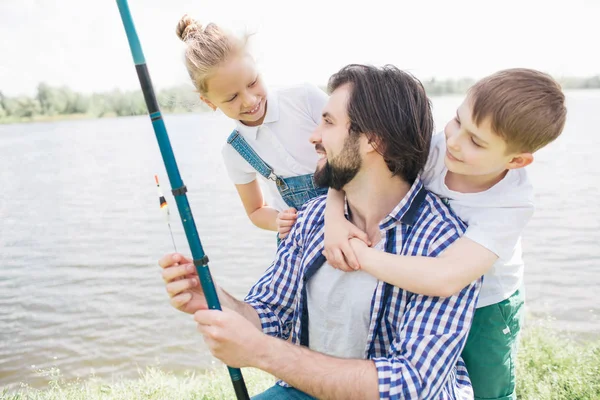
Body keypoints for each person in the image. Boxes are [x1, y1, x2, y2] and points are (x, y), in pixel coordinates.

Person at [160, 64, 482, 399]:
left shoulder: (446, 244)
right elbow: (271, 313)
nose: (313, 137)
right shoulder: (312, 219)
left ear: (374, 139)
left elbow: (409, 385)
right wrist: (213, 296)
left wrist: (263, 353)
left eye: (327, 122)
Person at [310, 68, 567, 400]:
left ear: (517, 160)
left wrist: (357, 253)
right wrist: (334, 216)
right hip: (415, 279)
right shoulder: (437, 148)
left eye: (476, 141)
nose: (455, 142)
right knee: (424, 375)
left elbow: (445, 277)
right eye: (458, 120)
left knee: (488, 388)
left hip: (485, 303)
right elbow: (352, 167)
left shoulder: (511, 204)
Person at [176, 14, 328, 235]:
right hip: (302, 235)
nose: (249, 100)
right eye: (231, 98)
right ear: (209, 102)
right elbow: (256, 211)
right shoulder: (235, 152)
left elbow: (357, 143)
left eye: (252, 82)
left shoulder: (304, 98)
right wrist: (278, 221)